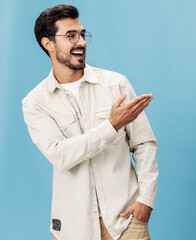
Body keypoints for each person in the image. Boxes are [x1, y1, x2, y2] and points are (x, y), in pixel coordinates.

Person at [21, 4, 158, 240]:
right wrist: (111, 126)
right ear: (48, 44)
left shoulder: (116, 85)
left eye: (83, 35)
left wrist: (145, 200)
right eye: (70, 36)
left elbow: (144, 144)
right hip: (74, 228)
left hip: (126, 222)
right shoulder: (35, 103)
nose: (81, 42)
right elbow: (61, 155)